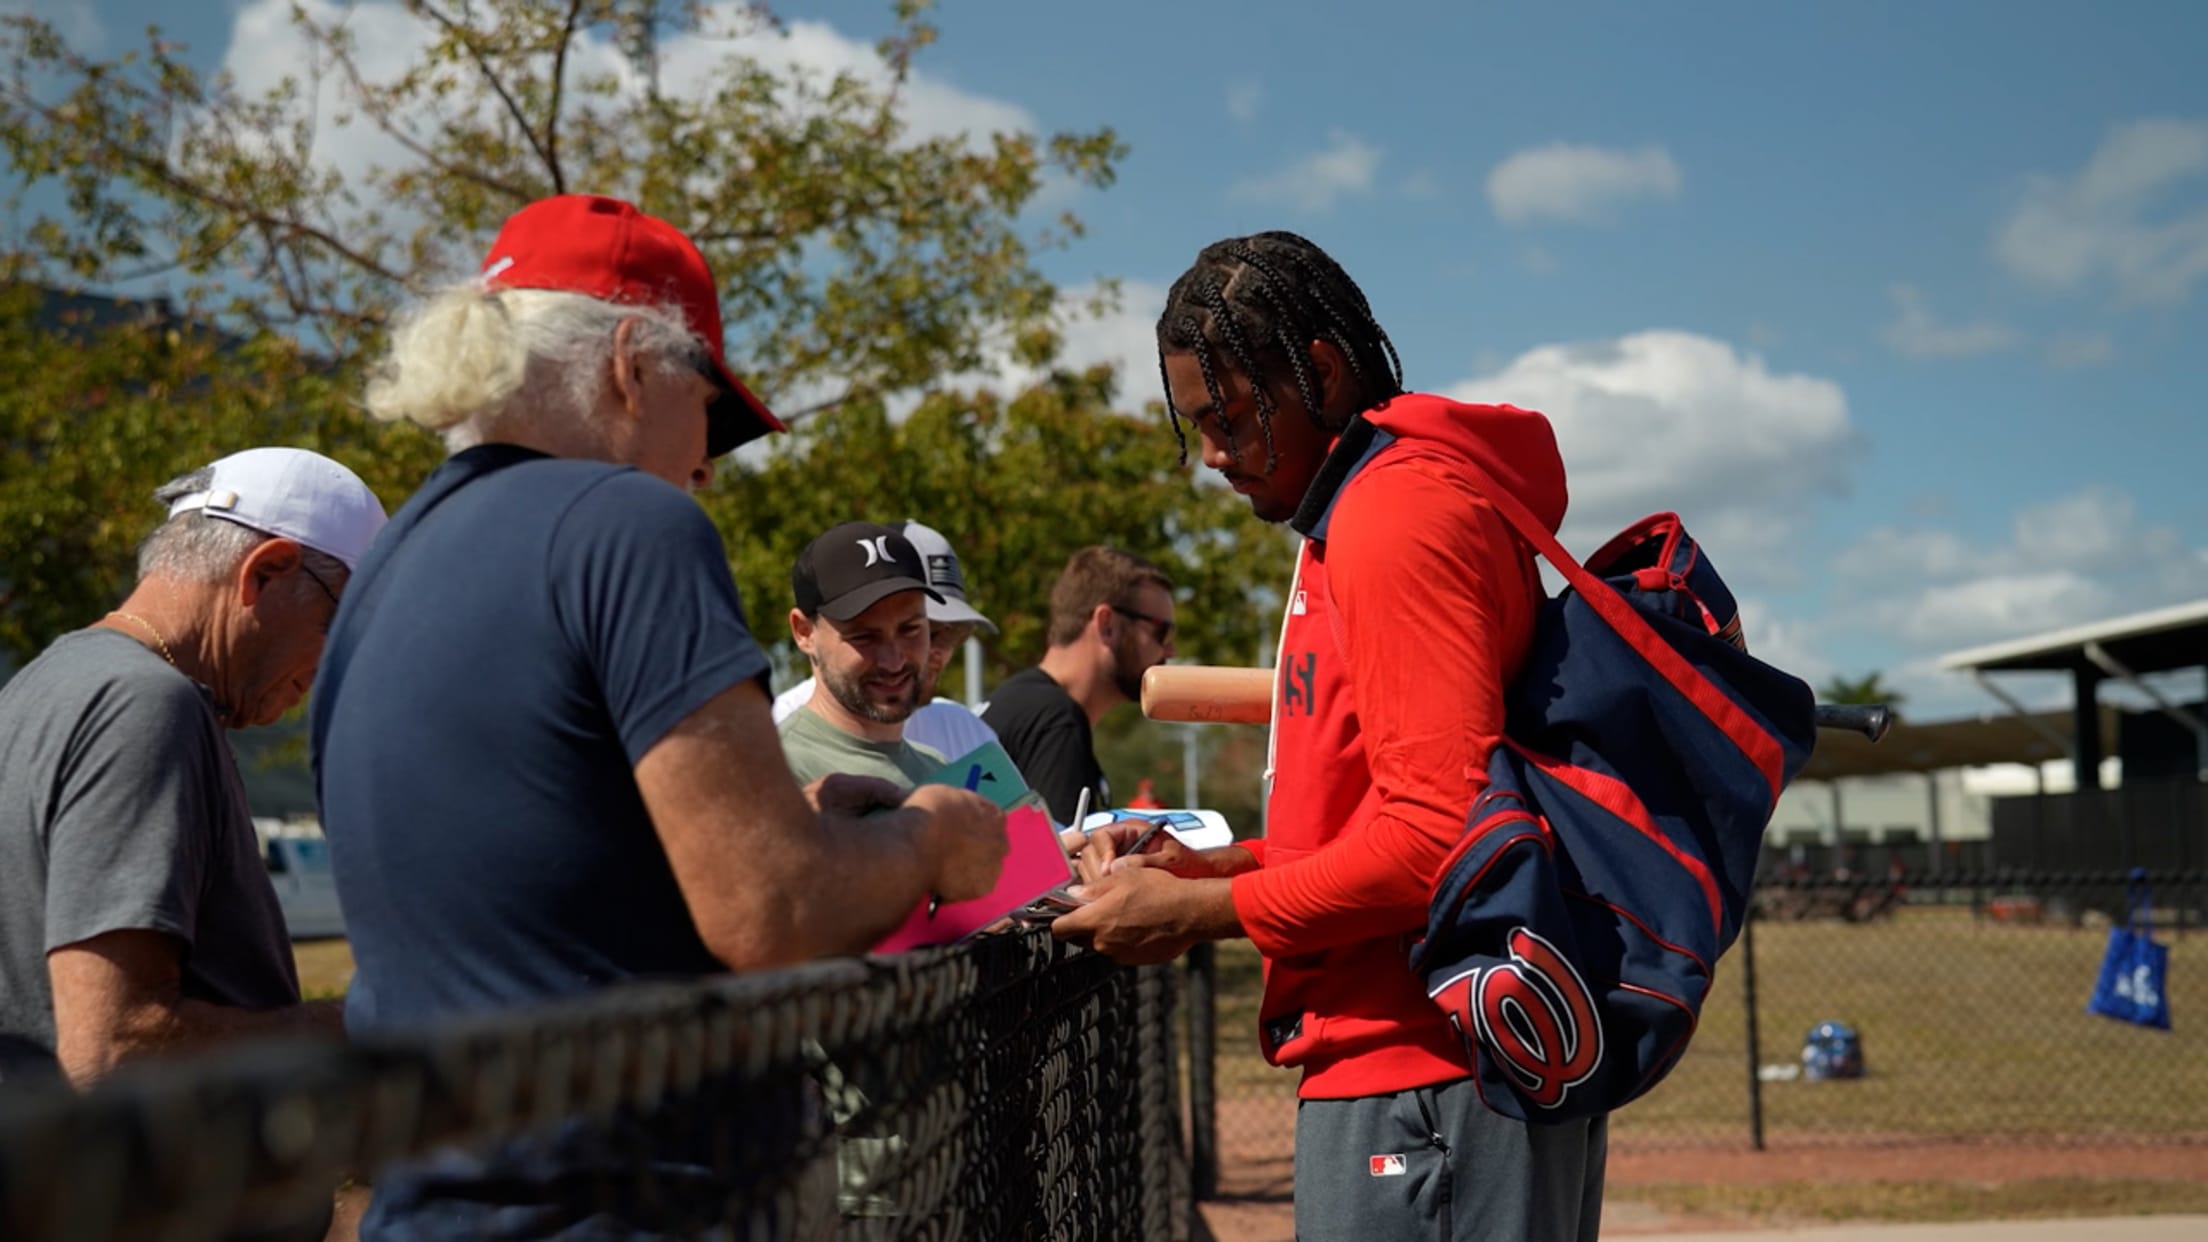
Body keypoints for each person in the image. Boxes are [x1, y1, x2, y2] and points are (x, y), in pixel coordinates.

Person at [311, 193, 1007, 1239]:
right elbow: (771, 912)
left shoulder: (384, 567)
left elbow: (528, 886)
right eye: (708, 407)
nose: (706, 465)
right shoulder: (631, 520)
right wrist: (935, 836)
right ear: (632, 364)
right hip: (634, 1203)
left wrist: (794, 809)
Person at [1053, 231, 1607, 1241]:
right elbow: (1383, 818)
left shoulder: (1396, 516)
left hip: (1429, 1073)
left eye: (1227, 419)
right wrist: (1204, 869)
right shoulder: (1354, 511)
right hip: (1416, 1070)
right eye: (1197, 427)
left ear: (1319, 371)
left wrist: (1204, 914)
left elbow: (1440, 843)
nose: (1214, 456)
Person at [0, 447, 385, 1092]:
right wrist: (361, 1024)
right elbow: (116, 1046)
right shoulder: (145, 703)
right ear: (267, 572)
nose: (331, 670)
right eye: (341, 629)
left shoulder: (39, 688)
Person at [774, 519, 1003, 763]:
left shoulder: (952, 746)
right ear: (804, 632)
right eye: (864, 637)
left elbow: (1024, 803)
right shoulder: (772, 757)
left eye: (911, 629)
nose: (893, 661)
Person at [981, 547, 1176, 824]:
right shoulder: (1054, 719)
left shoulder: (1023, 703)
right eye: (1161, 631)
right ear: (1106, 624)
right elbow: (1060, 862)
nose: (1171, 650)